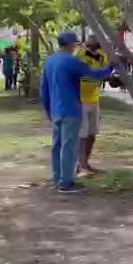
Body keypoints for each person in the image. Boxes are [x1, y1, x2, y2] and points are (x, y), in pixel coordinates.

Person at [41, 31, 114, 193]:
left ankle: (58, 178)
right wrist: (112, 66)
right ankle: (66, 183)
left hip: (56, 110)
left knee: (57, 146)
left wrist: (47, 109)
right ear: (70, 44)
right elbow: (95, 74)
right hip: (71, 109)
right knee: (69, 146)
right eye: (75, 43)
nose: (76, 46)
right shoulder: (71, 61)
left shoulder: (50, 61)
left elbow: (44, 89)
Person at [77, 35, 109, 175]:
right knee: (82, 135)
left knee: (92, 135)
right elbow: (89, 74)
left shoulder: (103, 55)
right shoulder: (80, 55)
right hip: (81, 99)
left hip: (94, 98)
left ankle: (85, 164)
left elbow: (105, 73)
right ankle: (81, 165)